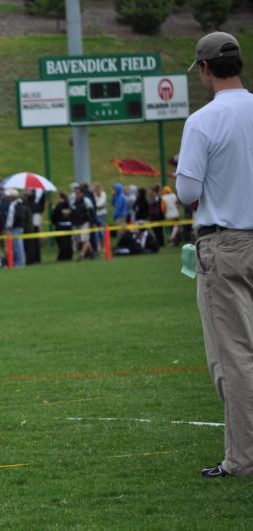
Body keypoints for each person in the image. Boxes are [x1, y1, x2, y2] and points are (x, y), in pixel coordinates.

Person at [175, 31, 253, 478]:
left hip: (225, 243)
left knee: (234, 356)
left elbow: (188, 190)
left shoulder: (203, 121)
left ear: (204, 69)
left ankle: (242, 457)